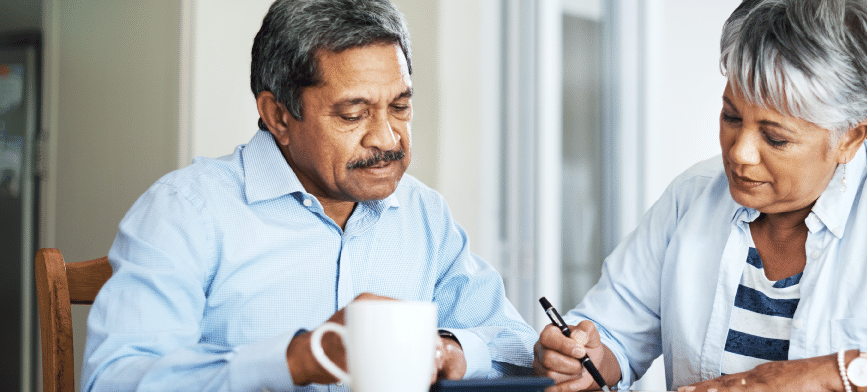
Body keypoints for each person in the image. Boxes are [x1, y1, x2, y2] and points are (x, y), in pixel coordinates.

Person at [534, 0, 867, 391]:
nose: (740, 153)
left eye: (775, 137)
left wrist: (832, 373)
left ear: (851, 137)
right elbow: (611, 338)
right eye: (730, 117)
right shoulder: (691, 199)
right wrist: (584, 355)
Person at [82, 0, 536, 390]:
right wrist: (297, 359)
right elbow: (114, 380)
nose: (386, 138)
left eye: (400, 107)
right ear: (278, 115)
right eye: (353, 115)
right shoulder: (185, 211)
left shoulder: (423, 212)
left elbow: (513, 341)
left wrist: (453, 349)